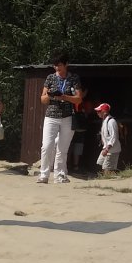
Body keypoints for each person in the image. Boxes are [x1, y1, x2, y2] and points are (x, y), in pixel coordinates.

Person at [38, 54, 84, 184]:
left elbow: (79, 98)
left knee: (63, 148)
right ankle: (44, 175)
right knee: (47, 146)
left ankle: (60, 175)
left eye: (59, 65)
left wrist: (64, 96)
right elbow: (42, 99)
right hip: (51, 116)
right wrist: (50, 96)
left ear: (66, 64)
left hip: (68, 116)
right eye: (55, 65)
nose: (57, 68)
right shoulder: (50, 77)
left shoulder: (74, 78)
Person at [96, 102, 121, 175]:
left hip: (112, 150)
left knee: (107, 169)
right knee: (100, 163)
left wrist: (107, 149)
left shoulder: (111, 121)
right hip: (106, 148)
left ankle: (113, 178)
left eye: (99, 111)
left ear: (104, 112)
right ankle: (111, 176)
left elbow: (114, 137)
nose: (97, 113)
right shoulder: (104, 120)